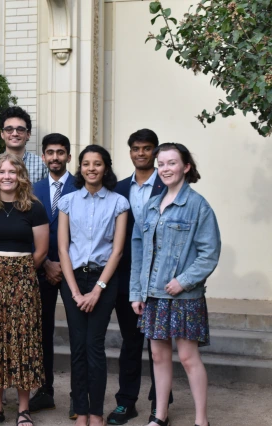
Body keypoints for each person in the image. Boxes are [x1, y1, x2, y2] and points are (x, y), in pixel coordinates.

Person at [130, 143, 220, 426]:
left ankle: (201, 420)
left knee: (188, 357)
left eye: (172, 163)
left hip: (184, 297)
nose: (165, 169)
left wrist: (183, 281)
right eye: (162, 164)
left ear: (186, 167)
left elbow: (210, 253)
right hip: (154, 295)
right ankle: (160, 416)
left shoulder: (198, 206)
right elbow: (138, 251)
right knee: (158, 356)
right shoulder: (151, 206)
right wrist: (137, 292)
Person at [0, 153, 49, 426]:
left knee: (23, 340)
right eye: (2, 172)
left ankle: (24, 408)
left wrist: (21, 271)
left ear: (21, 176)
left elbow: (41, 250)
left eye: (12, 172)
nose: (7, 177)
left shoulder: (34, 208)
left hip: (24, 280)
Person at [57, 145, 129, 426]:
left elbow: (117, 251)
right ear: (80, 168)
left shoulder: (118, 203)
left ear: (106, 167)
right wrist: (75, 291)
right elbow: (63, 249)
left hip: (104, 279)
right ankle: (81, 411)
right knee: (77, 347)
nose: (91, 168)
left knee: (94, 346)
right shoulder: (68, 202)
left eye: (97, 163)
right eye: (86, 163)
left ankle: (97, 412)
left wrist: (97, 289)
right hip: (74, 278)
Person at [107, 129, 168, 425]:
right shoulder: (118, 189)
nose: (140, 153)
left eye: (146, 148)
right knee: (131, 341)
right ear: (129, 152)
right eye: (135, 148)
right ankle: (126, 402)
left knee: (159, 343)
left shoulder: (170, 185)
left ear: (155, 152)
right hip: (127, 276)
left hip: (161, 276)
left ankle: (160, 403)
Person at [31, 133, 77, 415]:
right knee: (42, 332)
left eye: (61, 152)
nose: (55, 157)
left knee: (78, 333)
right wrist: (46, 263)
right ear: (44, 157)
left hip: (74, 271)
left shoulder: (81, 185)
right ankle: (44, 390)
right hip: (42, 269)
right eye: (50, 152)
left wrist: (63, 263)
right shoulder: (33, 188)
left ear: (69, 157)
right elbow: (27, 228)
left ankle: (78, 395)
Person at [0, 106, 47, 184]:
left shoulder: (41, 164)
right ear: (2, 134)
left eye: (20, 129)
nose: (15, 134)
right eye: (9, 129)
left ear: (28, 134)